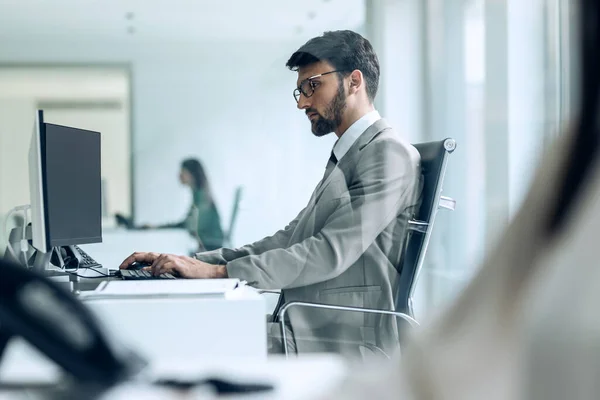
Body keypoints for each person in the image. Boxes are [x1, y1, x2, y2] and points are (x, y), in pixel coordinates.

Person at [120, 30, 422, 357]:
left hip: (344, 339)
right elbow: (288, 239)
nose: (303, 101)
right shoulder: (349, 156)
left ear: (354, 81)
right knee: (186, 324)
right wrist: (191, 263)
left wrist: (217, 273)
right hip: (308, 326)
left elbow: (329, 252)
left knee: (188, 333)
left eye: (313, 85)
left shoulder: (386, 154)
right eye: (300, 91)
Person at [143, 158, 224, 251]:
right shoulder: (199, 195)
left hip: (209, 248)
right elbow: (187, 224)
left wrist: (158, 228)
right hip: (208, 247)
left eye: (183, 172)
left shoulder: (201, 198)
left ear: (192, 175)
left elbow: (192, 226)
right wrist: (157, 227)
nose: (179, 175)